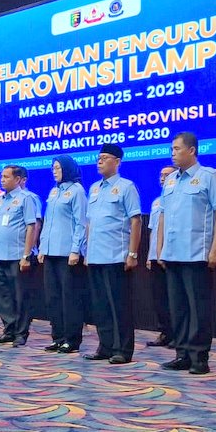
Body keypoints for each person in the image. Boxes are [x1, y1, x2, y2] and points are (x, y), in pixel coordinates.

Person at [158, 132, 216, 375]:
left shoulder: (208, 176)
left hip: (197, 253)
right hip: (172, 254)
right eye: (171, 149)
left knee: (198, 308)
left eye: (177, 149)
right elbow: (164, 216)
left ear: (192, 150)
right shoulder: (170, 181)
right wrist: (161, 249)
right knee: (178, 308)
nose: (173, 153)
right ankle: (182, 355)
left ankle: (199, 357)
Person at [84, 143, 141, 365]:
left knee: (119, 306)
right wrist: (87, 251)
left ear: (117, 162)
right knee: (101, 306)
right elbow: (90, 223)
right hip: (96, 256)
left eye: (105, 157)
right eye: (99, 157)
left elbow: (135, 220)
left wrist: (132, 253)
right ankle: (105, 346)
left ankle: (123, 349)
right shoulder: (94, 189)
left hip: (116, 255)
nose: (100, 161)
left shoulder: (126, 187)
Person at [38, 155, 87, 354]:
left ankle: (72, 339)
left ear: (67, 168)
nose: (54, 171)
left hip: (67, 254)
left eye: (58, 168)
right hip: (50, 252)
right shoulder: (53, 191)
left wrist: (75, 250)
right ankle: (58, 338)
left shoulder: (77, 191)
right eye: (53, 168)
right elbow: (48, 222)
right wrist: (42, 248)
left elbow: (80, 223)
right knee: (53, 298)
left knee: (70, 298)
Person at [0, 165, 36, 347]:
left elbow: (31, 227)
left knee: (20, 296)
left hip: (17, 255)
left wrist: (26, 255)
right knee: (4, 296)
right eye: (1, 176)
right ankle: (8, 330)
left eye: (6, 177)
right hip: (0, 255)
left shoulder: (26, 198)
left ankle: (21, 333)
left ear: (17, 180)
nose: (2, 180)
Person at [145, 166, 176, 348]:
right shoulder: (157, 202)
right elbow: (152, 231)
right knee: (159, 298)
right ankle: (165, 332)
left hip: (171, 255)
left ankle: (178, 335)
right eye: (161, 175)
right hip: (155, 256)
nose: (163, 178)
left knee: (174, 298)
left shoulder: (176, 200)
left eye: (167, 175)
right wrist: (150, 255)